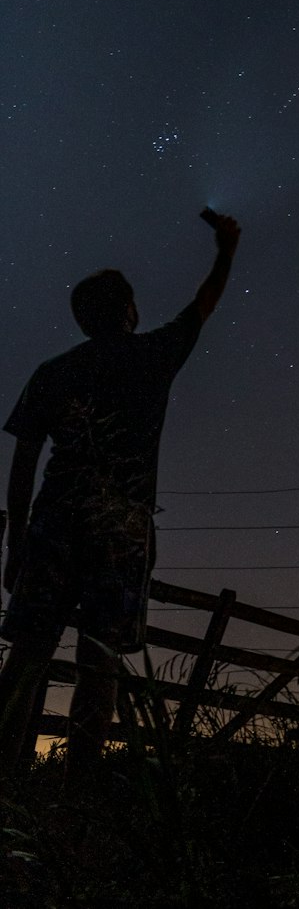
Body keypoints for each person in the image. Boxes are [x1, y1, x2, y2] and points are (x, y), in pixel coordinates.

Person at [0, 210, 241, 781]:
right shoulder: (153, 355)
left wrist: (16, 544)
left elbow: (23, 465)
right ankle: (82, 782)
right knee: (99, 657)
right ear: (129, 311)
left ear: (83, 321)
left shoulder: (52, 372)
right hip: (120, 531)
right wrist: (226, 249)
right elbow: (205, 302)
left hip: (55, 523)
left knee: (29, 653)